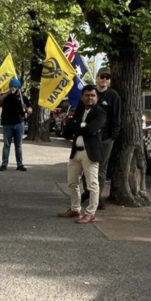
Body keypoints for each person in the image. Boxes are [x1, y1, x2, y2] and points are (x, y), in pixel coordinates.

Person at [57, 85, 106, 224]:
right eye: (87, 95)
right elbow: (67, 130)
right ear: (82, 96)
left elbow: (92, 129)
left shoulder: (100, 112)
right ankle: (75, 209)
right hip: (76, 152)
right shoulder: (78, 110)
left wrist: (79, 126)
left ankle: (90, 213)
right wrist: (81, 125)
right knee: (72, 182)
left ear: (96, 97)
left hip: (90, 153)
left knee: (92, 185)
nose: (89, 98)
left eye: (92, 95)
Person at [94, 67, 121, 210]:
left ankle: (97, 197)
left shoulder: (113, 96)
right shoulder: (91, 93)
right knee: (87, 167)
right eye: (102, 76)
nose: (104, 79)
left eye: (107, 77)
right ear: (97, 77)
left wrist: (113, 136)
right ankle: (89, 191)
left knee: (101, 169)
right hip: (90, 137)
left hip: (106, 138)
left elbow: (117, 117)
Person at [0, 77, 32, 171]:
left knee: (18, 145)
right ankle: (4, 164)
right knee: (7, 144)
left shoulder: (23, 97)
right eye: (12, 86)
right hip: (7, 124)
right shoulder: (5, 96)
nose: (14, 88)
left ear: (19, 87)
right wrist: (7, 92)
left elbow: (30, 110)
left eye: (16, 86)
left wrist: (27, 109)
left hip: (19, 123)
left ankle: (20, 164)